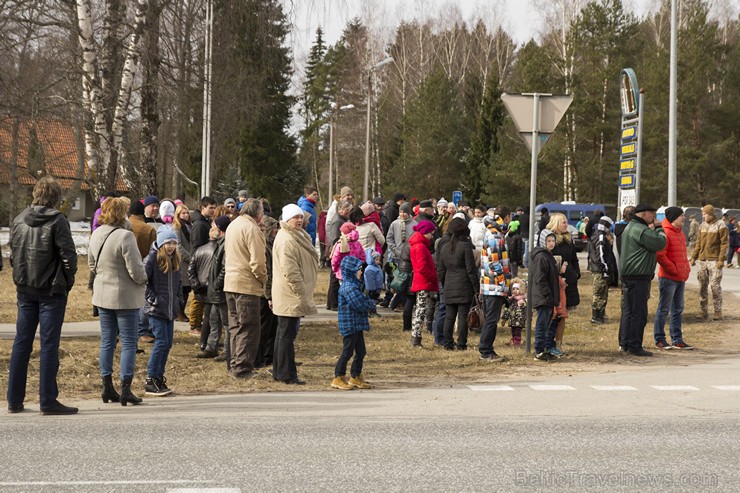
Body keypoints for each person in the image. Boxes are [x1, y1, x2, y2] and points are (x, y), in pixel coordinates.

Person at [7, 176, 78, 415]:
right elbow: (69, 256)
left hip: (25, 289)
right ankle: (47, 400)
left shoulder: (18, 220)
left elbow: (12, 255)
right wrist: (67, 282)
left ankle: (14, 400)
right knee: (48, 345)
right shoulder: (58, 221)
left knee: (22, 343)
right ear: (56, 197)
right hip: (50, 290)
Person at [89, 197, 147, 406]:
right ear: (122, 213)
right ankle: (125, 388)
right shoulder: (125, 236)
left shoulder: (96, 234)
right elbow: (136, 269)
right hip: (125, 297)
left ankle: (107, 387)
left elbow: (91, 264)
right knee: (129, 342)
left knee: (107, 341)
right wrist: (144, 280)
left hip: (103, 295)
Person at [271, 204, 319, 385]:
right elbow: (290, 272)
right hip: (290, 294)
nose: (299, 220)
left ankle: (281, 371)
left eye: (300, 217)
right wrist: (301, 292)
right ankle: (286, 374)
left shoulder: (294, 235)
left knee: (285, 335)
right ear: (286, 220)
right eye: (295, 218)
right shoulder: (287, 240)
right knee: (286, 336)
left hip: (291, 294)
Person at [224, 198, 267, 379]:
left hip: (230, 282)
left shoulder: (233, 225)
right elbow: (257, 262)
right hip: (246, 284)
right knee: (249, 327)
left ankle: (234, 363)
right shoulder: (252, 229)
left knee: (235, 327)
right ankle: (242, 368)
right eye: (263, 212)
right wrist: (263, 279)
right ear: (257, 213)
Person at [619, 203, 666, 356]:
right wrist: (659, 228)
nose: (654, 217)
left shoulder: (631, 227)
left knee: (629, 311)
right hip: (638, 277)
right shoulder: (640, 229)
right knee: (639, 313)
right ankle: (635, 345)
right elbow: (660, 243)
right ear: (644, 214)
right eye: (652, 213)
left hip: (630, 275)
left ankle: (625, 343)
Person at [143, 226, 183, 396]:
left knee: (167, 344)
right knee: (160, 342)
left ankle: (159, 376)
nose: (171, 246)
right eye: (168, 243)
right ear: (161, 243)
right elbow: (144, 282)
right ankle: (151, 378)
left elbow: (179, 282)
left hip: (170, 308)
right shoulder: (151, 259)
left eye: (174, 243)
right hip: (156, 309)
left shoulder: (174, 259)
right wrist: (154, 299)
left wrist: (179, 299)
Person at [331, 255, 377, 390]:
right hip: (350, 324)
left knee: (361, 351)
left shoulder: (355, 285)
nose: (361, 272)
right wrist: (371, 304)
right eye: (358, 269)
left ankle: (355, 376)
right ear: (351, 271)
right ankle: (338, 376)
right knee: (347, 352)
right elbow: (360, 304)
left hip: (356, 324)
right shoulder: (349, 287)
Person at [654, 207, 693, 350]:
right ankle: (659, 339)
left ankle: (677, 339)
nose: (684, 218)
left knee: (678, 309)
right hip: (668, 278)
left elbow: (682, 254)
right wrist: (674, 269)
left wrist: (686, 269)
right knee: (663, 309)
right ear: (674, 218)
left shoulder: (680, 233)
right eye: (682, 216)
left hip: (680, 278)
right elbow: (660, 255)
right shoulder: (665, 232)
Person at [436, 218, 478, 351]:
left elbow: (441, 270)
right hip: (463, 284)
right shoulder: (465, 246)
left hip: (449, 283)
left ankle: (447, 343)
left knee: (449, 316)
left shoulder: (444, 247)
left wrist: (443, 284)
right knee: (463, 316)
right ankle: (461, 344)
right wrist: (476, 288)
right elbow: (471, 269)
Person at [541, 212, 580, 356]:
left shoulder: (569, 239)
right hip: (555, 282)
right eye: (563, 222)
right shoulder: (550, 240)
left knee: (563, 314)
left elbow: (574, 258)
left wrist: (576, 273)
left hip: (569, 281)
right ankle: (548, 343)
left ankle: (559, 343)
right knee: (554, 314)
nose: (566, 224)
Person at [478, 205, 512, 361]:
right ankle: (486, 350)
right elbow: (494, 262)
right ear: (506, 217)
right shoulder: (495, 235)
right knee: (491, 319)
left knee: (492, 318)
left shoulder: (497, 234)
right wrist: (502, 281)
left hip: (491, 284)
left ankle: (487, 349)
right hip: (493, 285)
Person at [690, 205, 729, 320]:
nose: (703, 216)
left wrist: (721, 259)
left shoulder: (721, 225)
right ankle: (703, 311)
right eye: (702, 214)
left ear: (711, 214)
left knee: (715, 286)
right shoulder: (702, 226)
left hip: (715, 260)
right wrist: (693, 257)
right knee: (702, 286)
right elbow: (698, 243)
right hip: (702, 260)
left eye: (705, 214)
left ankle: (718, 311)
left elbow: (724, 244)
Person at [189, 222, 219, 358]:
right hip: (213, 287)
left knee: (207, 316)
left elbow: (191, 268)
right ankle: (210, 344)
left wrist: (196, 284)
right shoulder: (219, 250)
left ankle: (203, 342)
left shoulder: (199, 249)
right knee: (214, 317)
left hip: (202, 287)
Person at [409, 220, 439, 347]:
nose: (432, 236)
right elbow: (422, 267)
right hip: (424, 281)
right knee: (421, 310)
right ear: (425, 232)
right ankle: (416, 339)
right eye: (431, 233)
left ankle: (416, 337)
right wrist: (433, 276)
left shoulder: (418, 244)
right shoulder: (420, 247)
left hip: (422, 281)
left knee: (420, 310)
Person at [531, 232, 561, 361]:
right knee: (542, 324)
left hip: (548, 296)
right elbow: (540, 278)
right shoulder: (541, 257)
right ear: (543, 241)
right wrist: (548, 294)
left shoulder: (548, 256)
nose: (551, 243)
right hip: (543, 296)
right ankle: (539, 350)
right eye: (548, 241)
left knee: (547, 324)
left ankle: (543, 349)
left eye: (553, 241)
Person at [256, 216, 279, 369]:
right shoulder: (265, 247)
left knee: (273, 328)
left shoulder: (273, 245)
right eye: (275, 228)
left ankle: (269, 356)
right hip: (265, 294)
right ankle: (259, 358)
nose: (277, 231)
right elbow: (267, 274)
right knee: (264, 328)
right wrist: (269, 295)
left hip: (272, 292)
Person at [588, 216, 616, 324]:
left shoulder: (599, 234)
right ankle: (596, 317)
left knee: (603, 293)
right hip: (600, 270)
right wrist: (605, 268)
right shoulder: (600, 236)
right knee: (599, 293)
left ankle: (601, 314)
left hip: (600, 268)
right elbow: (601, 254)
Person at [172, 203, 193, 324]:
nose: (185, 215)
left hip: (189, 260)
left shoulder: (189, 225)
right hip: (182, 261)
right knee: (182, 288)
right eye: (183, 213)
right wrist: (189, 257)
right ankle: (179, 312)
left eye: (186, 213)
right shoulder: (177, 227)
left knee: (187, 288)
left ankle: (181, 311)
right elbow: (178, 246)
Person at [502, 278, 527, 347]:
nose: (515, 291)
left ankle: (517, 343)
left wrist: (523, 305)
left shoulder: (522, 300)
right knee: (513, 331)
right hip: (512, 320)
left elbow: (526, 309)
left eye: (517, 289)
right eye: (513, 289)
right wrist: (504, 318)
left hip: (519, 320)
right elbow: (507, 309)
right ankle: (514, 341)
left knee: (517, 332)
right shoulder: (511, 300)